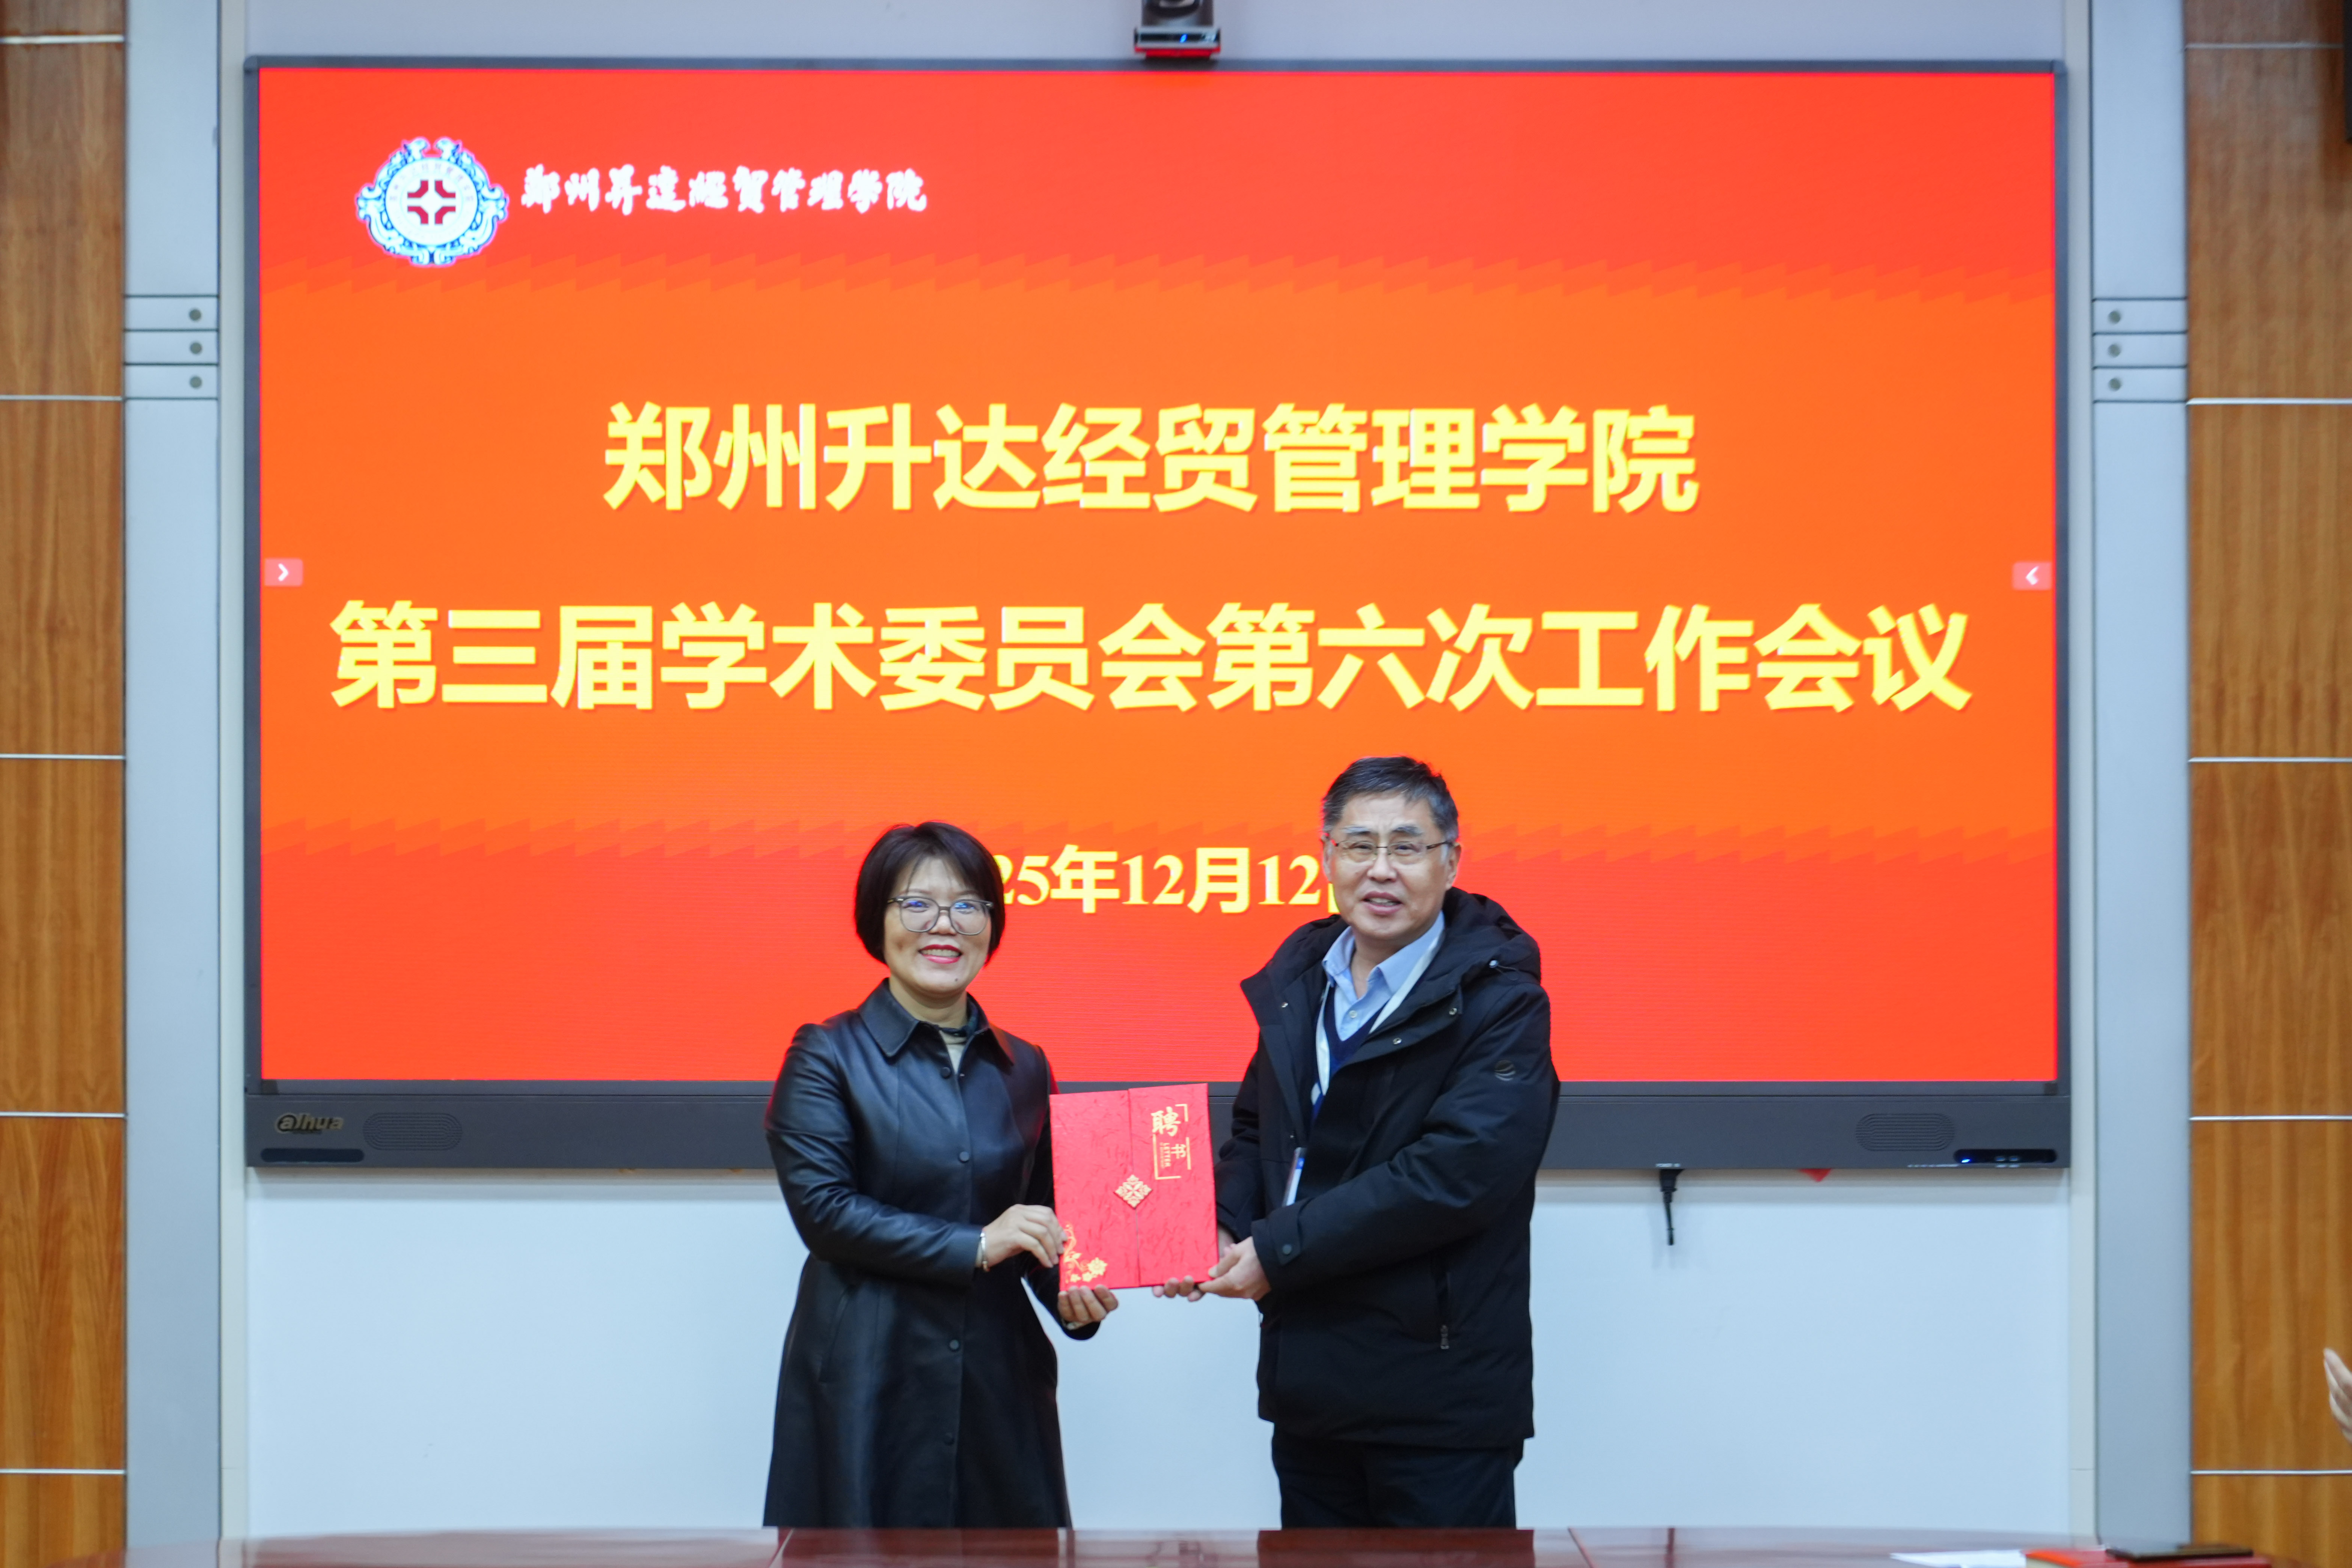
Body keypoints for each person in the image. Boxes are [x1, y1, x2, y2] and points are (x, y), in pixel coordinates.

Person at [1159, 756, 1558, 1527]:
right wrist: (1220, 1227)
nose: (1381, 870)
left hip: (1439, 1396)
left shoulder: (1502, 1001)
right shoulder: (1302, 983)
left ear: (1451, 862)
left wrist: (1278, 1251)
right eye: (1359, 845)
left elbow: (1457, 1174)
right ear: (1328, 856)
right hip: (1310, 1382)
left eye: (1407, 847)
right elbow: (1258, 1131)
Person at [761, 821, 1117, 1527]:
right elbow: (826, 1215)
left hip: (997, 1380)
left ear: (991, 924)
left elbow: (1044, 1220)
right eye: (917, 904)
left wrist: (1077, 1291)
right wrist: (977, 1245)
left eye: (967, 906)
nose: (944, 926)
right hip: (869, 1378)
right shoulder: (827, 1054)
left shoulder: (1025, 1066)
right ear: (878, 920)